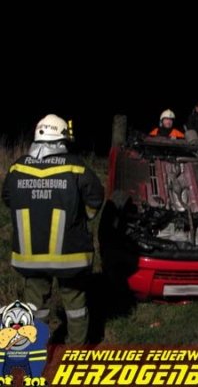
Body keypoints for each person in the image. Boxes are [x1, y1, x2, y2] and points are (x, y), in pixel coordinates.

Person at [1, 114, 104, 345]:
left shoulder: (17, 168)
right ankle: (76, 354)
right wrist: (84, 216)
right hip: (70, 255)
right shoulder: (76, 167)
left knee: (34, 307)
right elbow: (95, 197)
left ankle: (35, 351)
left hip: (30, 255)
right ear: (61, 139)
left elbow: (8, 198)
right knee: (75, 306)